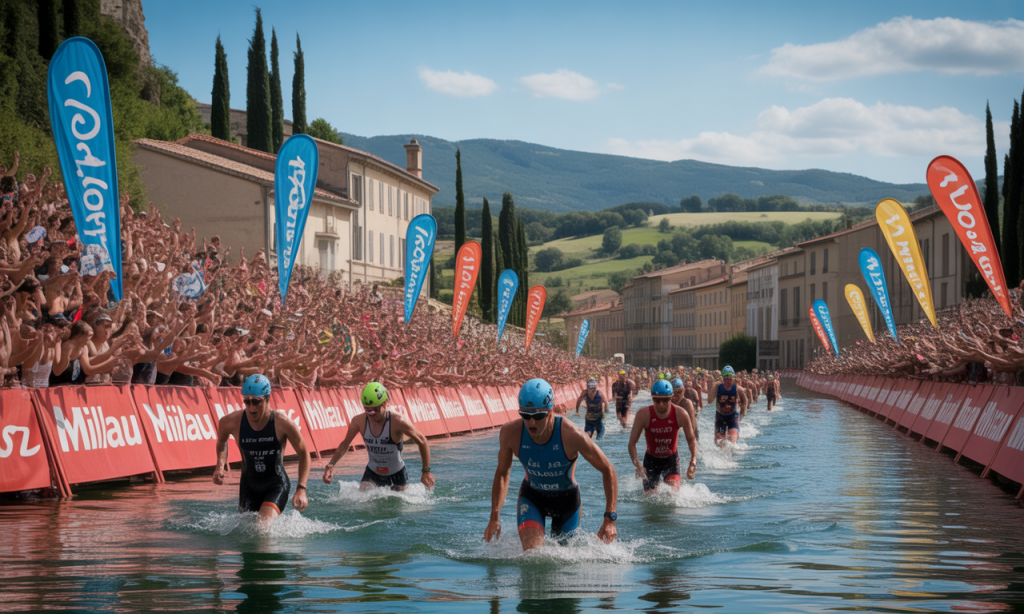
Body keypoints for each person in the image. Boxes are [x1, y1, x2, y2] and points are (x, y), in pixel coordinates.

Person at [484, 378, 618, 551]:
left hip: (567, 502)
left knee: (562, 562)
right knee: (532, 556)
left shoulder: (571, 435)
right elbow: (502, 472)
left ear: (550, 411)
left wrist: (609, 518)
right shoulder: (510, 433)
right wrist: (494, 517)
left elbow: (608, 469)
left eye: (538, 416)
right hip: (533, 498)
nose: (531, 422)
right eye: (526, 415)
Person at [212, 374, 310, 522]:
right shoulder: (230, 422)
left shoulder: (282, 423)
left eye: (256, 402)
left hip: (276, 484)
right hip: (248, 486)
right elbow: (221, 442)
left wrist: (301, 489)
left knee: (262, 526)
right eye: (247, 402)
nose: (251, 408)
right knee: (246, 533)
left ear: (267, 398)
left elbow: (304, 453)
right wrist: (220, 464)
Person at [322, 381, 435, 491]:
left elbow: (422, 441)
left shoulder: (398, 421)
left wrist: (426, 471)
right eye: (367, 410)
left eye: (373, 411)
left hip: (397, 474)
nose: (370, 415)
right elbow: (345, 444)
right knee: (363, 500)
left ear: (385, 404)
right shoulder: (358, 421)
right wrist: (330, 465)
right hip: (373, 472)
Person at [629, 379, 697, 494]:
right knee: (650, 497)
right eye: (657, 400)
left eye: (665, 400)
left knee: (672, 494)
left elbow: (691, 440)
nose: (661, 404)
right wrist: (638, 465)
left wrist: (693, 461)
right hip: (651, 461)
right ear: (652, 399)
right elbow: (631, 444)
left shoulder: (680, 414)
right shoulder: (643, 415)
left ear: (672, 398)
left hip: (671, 461)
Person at [710, 366, 748, 445]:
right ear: (722, 379)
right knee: (718, 443)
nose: (728, 381)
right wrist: (713, 386)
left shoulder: (738, 389)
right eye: (725, 378)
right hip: (720, 417)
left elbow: (745, 401)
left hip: (733, 417)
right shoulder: (717, 388)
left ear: (734, 379)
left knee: (732, 442)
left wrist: (742, 412)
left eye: (730, 378)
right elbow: (709, 401)